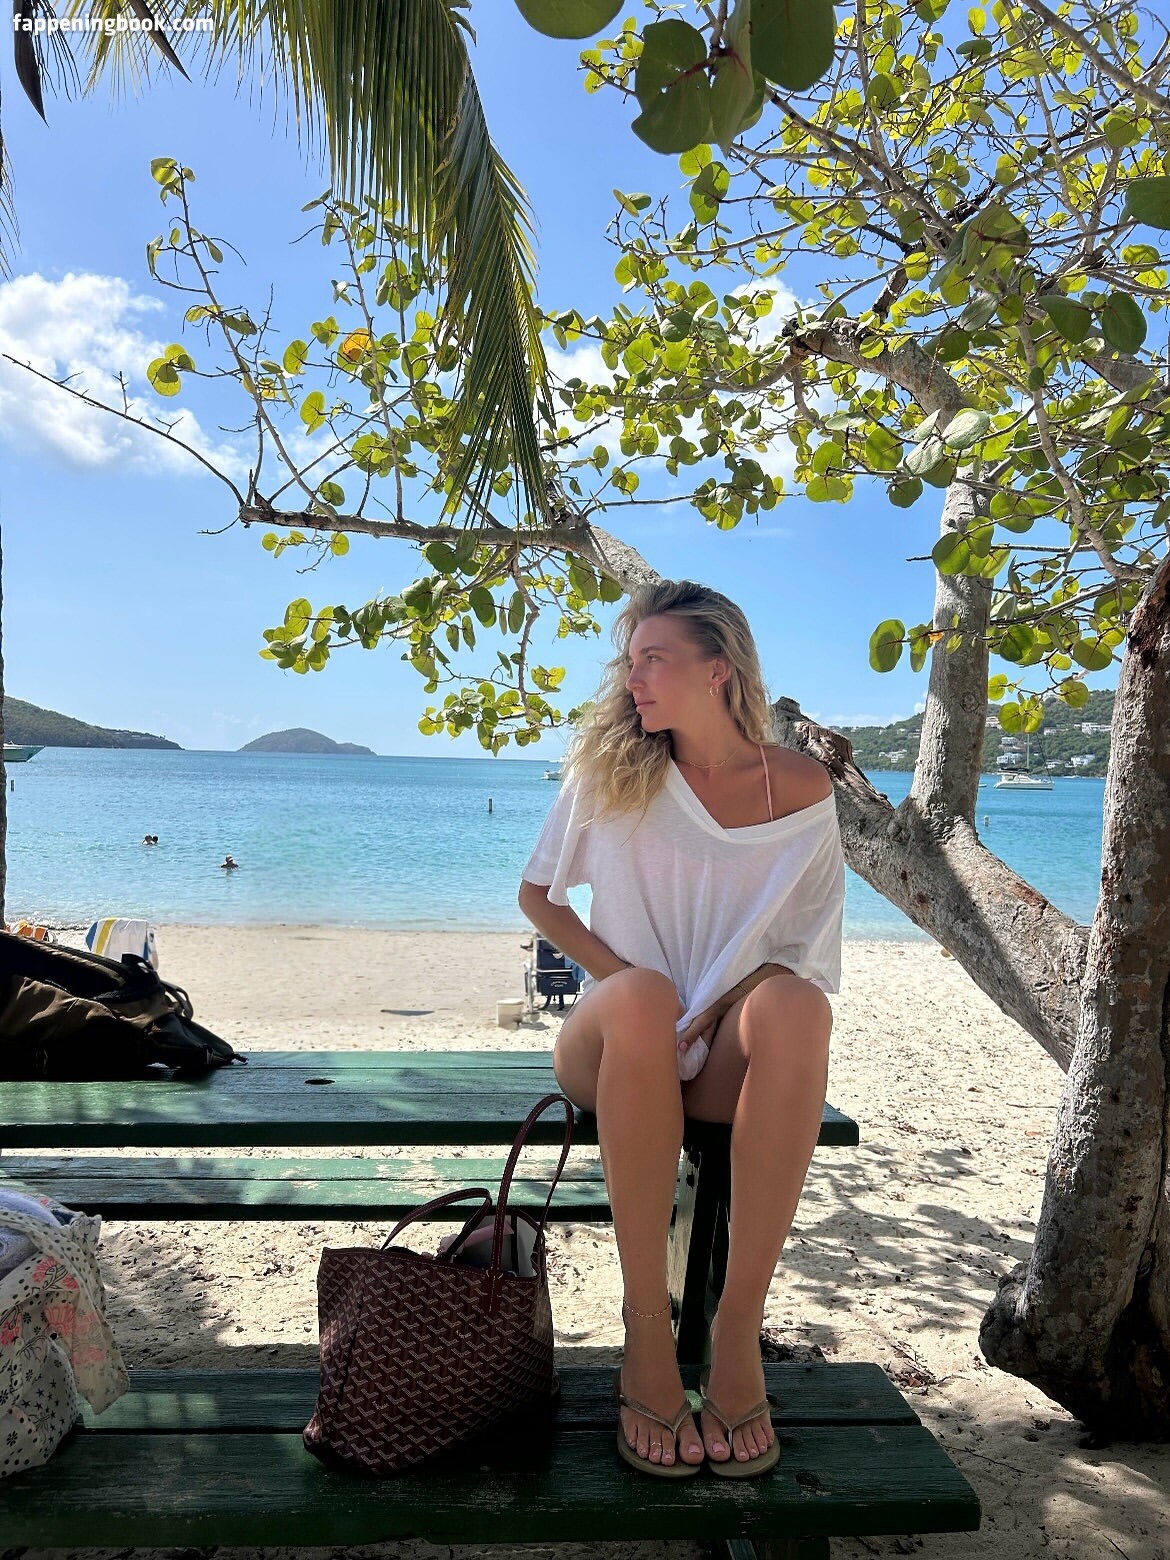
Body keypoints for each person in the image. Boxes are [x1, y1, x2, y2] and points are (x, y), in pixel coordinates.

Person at [518, 580, 844, 1481]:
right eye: (630, 663)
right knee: (639, 997)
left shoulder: (802, 789)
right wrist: (638, 988)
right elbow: (539, 898)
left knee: (800, 1007)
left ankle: (737, 1335)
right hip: (614, 1045)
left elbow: (803, 952)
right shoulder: (612, 769)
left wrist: (717, 1007)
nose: (633, 681)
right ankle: (645, 1337)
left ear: (718, 670)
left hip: (716, 1053)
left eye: (653, 660)